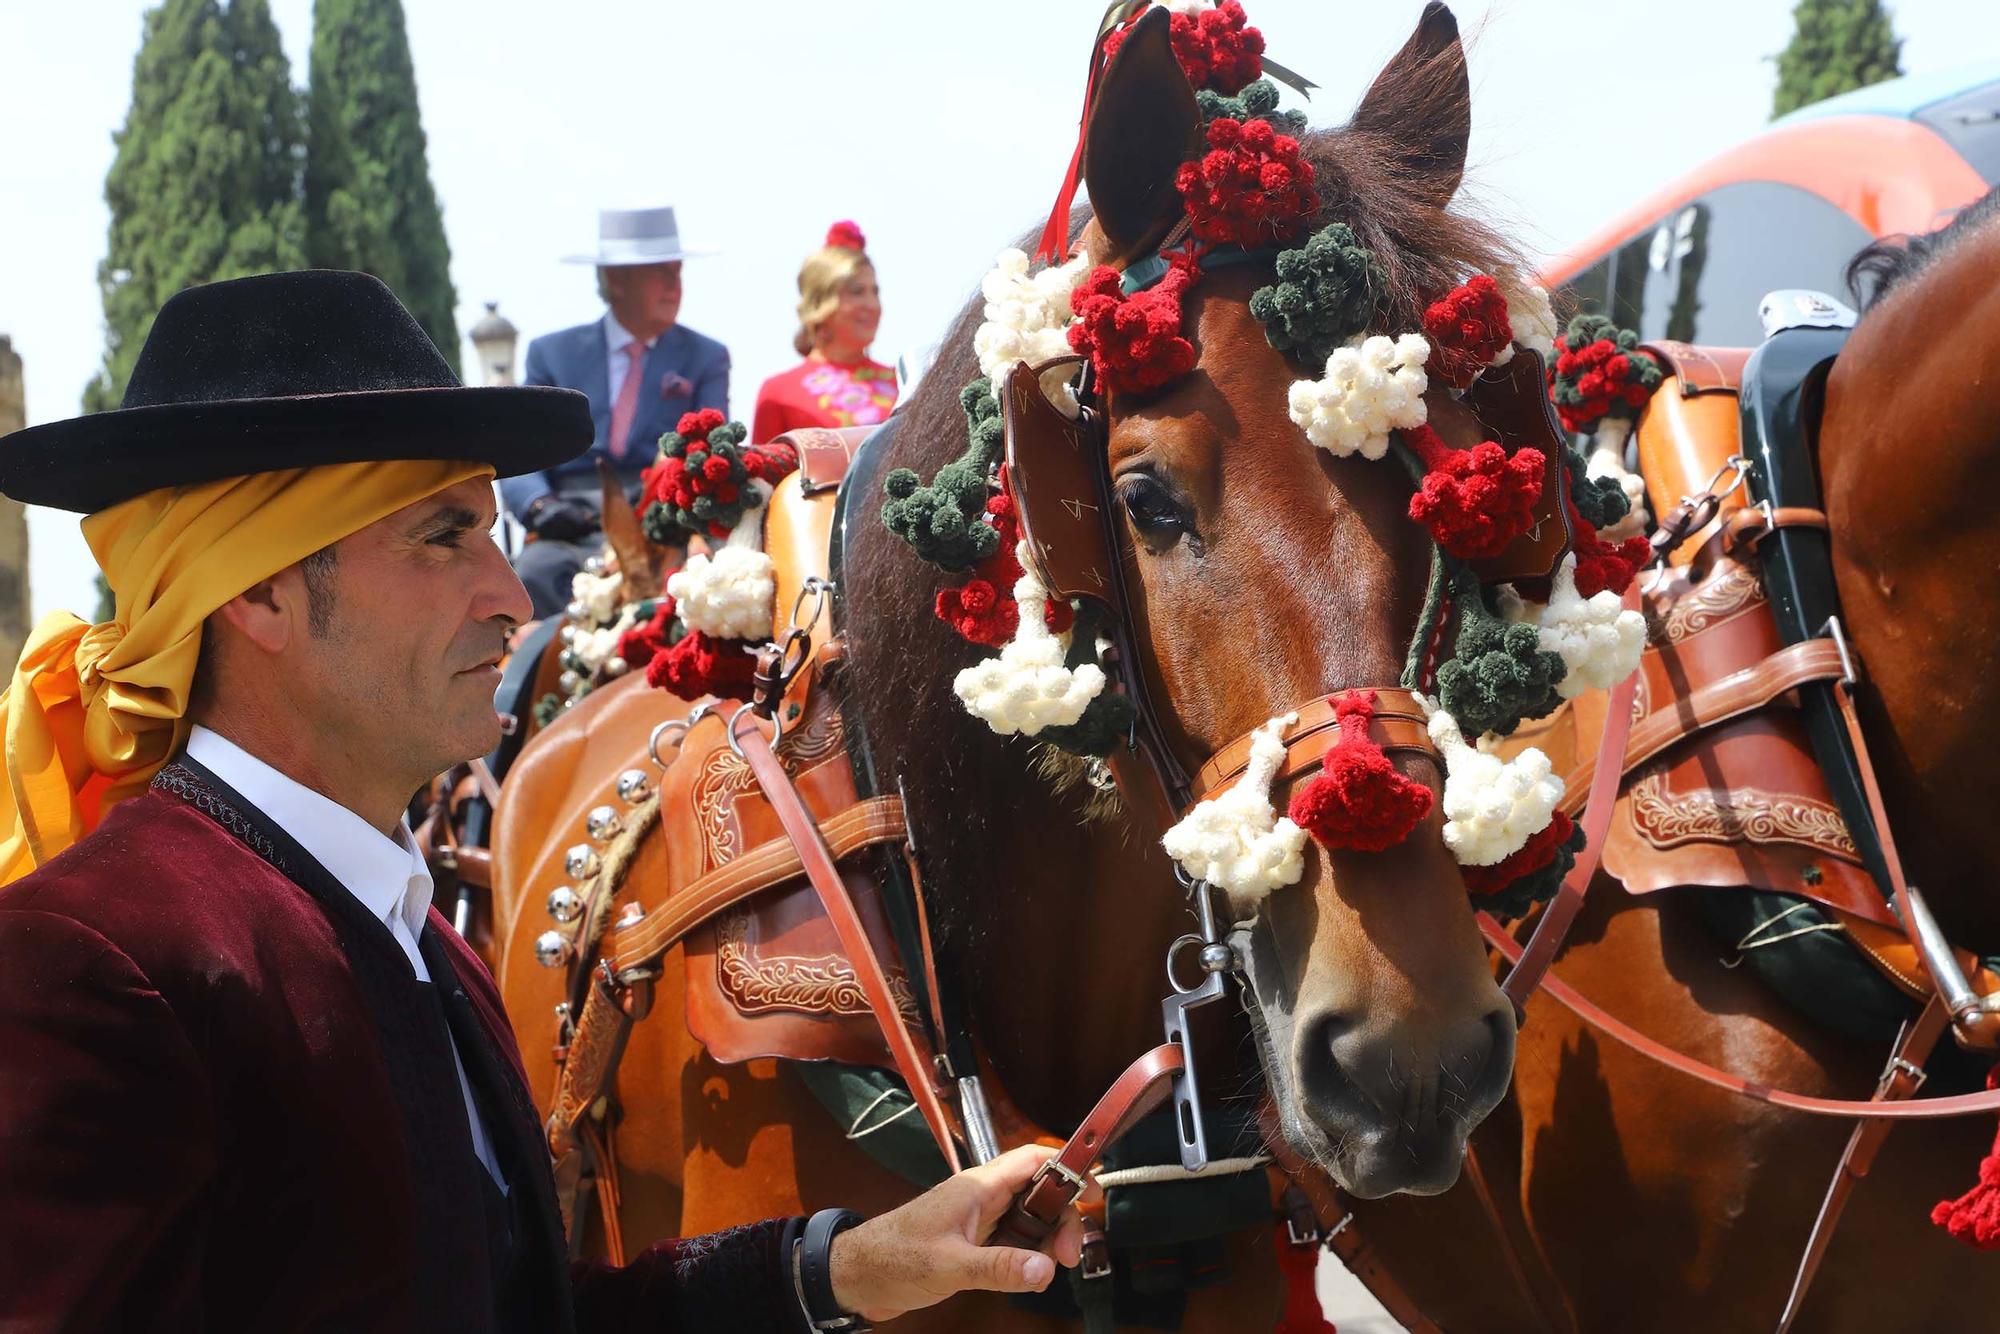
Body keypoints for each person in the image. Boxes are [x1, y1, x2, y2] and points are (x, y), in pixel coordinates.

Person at [0, 271, 1086, 1333]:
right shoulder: (90, 961)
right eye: (443, 537)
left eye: (495, 535)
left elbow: (532, 1308)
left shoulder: (426, 942)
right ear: (256, 592)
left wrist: (854, 1264)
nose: (511, 597)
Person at [506, 205, 731, 618]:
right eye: (660, 273)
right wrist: (540, 507)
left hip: (665, 524)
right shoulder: (552, 354)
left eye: (677, 272)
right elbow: (520, 450)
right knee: (535, 573)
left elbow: (712, 454)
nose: (674, 285)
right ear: (617, 280)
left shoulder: (707, 358)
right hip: (569, 527)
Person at [752, 221, 899, 441]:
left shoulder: (904, 384)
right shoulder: (778, 393)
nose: (871, 304)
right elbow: (765, 474)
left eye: (874, 292)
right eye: (857, 292)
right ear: (821, 303)